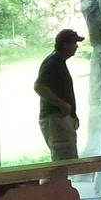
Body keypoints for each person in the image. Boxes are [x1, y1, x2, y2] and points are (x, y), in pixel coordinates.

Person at [34, 28, 82, 160]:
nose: (76, 46)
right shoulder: (52, 63)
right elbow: (39, 87)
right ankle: (58, 182)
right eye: (74, 43)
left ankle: (60, 181)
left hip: (60, 118)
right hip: (56, 118)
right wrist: (61, 104)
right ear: (65, 45)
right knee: (63, 162)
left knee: (66, 160)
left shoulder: (58, 62)